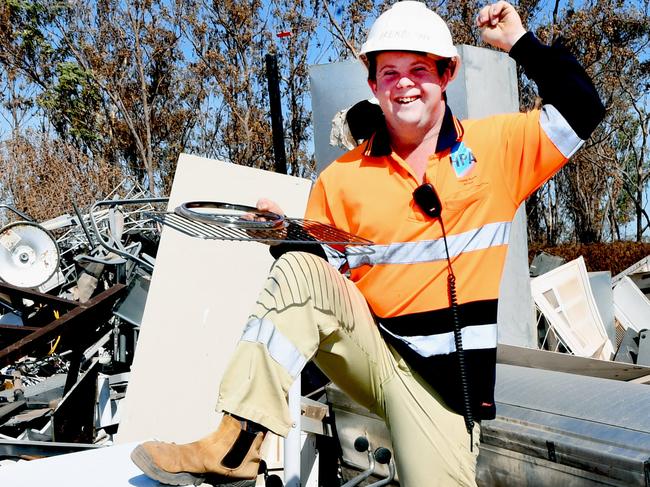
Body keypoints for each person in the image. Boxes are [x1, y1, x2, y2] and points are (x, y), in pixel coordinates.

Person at [131, 1, 605, 486]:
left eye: (419, 69)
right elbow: (319, 279)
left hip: (443, 388)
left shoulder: (497, 150)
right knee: (299, 272)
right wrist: (287, 239)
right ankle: (233, 448)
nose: (403, 83)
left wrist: (518, 43)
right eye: (389, 72)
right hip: (374, 356)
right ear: (373, 83)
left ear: (447, 75)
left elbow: (583, 107)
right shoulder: (341, 179)